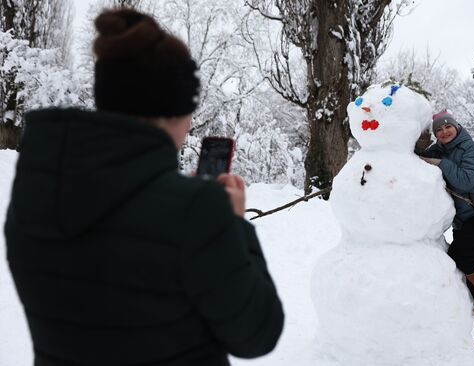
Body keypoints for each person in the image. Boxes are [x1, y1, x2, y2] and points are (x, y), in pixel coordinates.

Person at [4, 8, 283, 366]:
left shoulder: (37, 195)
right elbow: (257, 333)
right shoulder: (196, 210)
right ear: (175, 109)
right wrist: (234, 225)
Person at [418, 110, 474, 351]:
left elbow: (466, 180)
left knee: (460, 255)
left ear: (457, 128)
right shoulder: (439, 150)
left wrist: (441, 164)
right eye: (439, 130)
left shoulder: (470, 149)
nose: (444, 131)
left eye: (448, 127)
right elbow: (417, 159)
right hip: (465, 223)